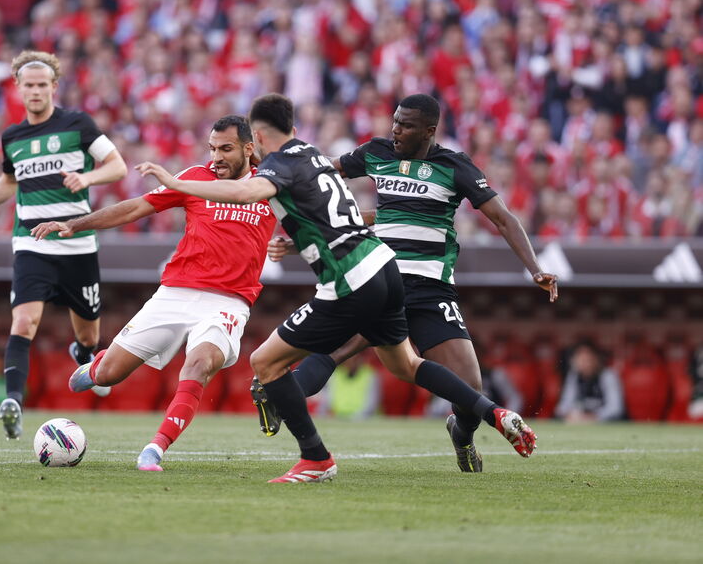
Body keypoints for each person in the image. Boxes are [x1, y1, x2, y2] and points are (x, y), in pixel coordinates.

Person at [137, 93, 537, 483]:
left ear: (255, 139)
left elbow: (245, 192)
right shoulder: (313, 156)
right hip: (385, 267)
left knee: (265, 363)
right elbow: (335, 214)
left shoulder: (279, 167)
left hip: (351, 278)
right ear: (292, 128)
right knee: (406, 365)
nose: (220, 157)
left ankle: (315, 457)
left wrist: (176, 183)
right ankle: (494, 413)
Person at [267, 93, 558, 472]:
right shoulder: (376, 151)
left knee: (470, 389)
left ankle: (462, 433)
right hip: (378, 275)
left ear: (429, 131)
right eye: (395, 121)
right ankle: (278, 399)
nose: (395, 129)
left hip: (431, 286)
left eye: (405, 124)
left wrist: (533, 268)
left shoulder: (454, 166)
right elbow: (321, 178)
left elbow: (503, 218)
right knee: (337, 350)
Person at [31, 115, 278, 471]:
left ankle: (155, 448)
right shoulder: (195, 178)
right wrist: (74, 223)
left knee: (200, 362)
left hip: (228, 302)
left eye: (226, 149)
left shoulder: (271, 185)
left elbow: (314, 219)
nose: (217, 157)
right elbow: (135, 206)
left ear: (248, 148)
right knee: (109, 375)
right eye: (212, 149)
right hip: (175, 293)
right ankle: (97, 367)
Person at [0, 50, 127, 439]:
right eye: (28, 85)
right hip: (32, 242)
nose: (35, 91)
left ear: (53, 87)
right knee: (24, 320)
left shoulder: (77, 124)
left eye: (41, 84)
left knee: (88, 336)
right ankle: (13, 400)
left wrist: (86, 180)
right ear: (18, 88)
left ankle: (84, 356)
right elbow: (10, 181)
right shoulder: (12, 138)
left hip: (77, 242)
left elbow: (116, 165)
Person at [555, 341, 624, 422]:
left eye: (587, 359)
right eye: (580, 359)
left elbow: (616, 408)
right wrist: (570, 414)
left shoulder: (607, 375)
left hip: (604, 424)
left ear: (596, 359)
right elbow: (563, 406)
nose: (584, 363)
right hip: (580, 422)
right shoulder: (574, 376)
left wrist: (594, 417)